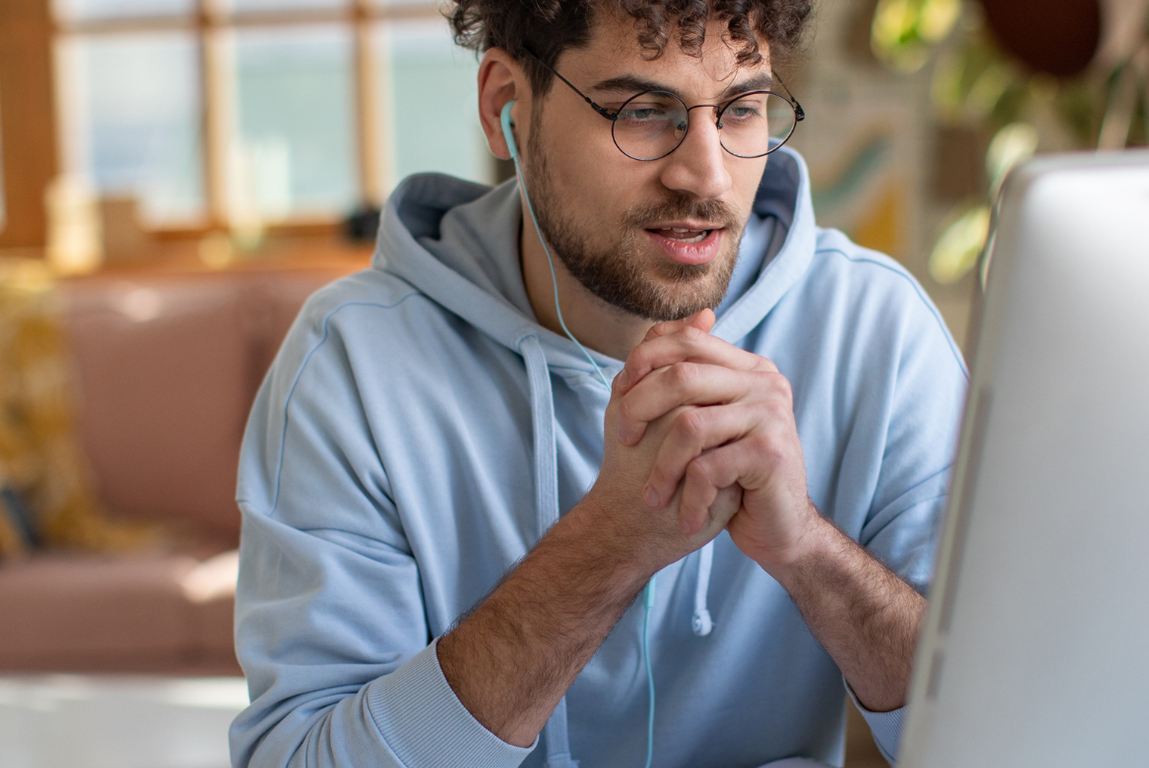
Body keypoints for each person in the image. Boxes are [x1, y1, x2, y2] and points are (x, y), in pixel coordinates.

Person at [228, 1, 967, 766]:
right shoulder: (353, 362)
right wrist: (610, 545)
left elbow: (1006, 738)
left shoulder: (875, 331)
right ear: (506, 106)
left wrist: (808, 550)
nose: (707, 174)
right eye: (642, 111)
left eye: (742, 109)